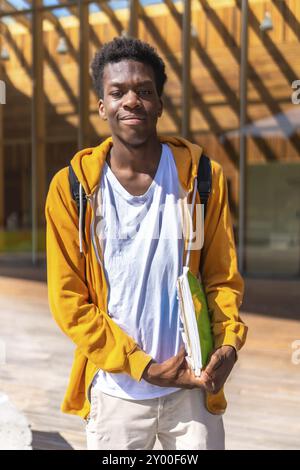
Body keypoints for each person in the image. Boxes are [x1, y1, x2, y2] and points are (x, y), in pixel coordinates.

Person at [45, 37, 248, 450]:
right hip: (116, 392)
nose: (131, 100)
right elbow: (69, 301)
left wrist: (228, 342)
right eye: (117, 92)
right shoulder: (72, 189)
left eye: (145, 91)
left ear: (159, 103)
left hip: (193, 392)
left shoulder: (201, 179)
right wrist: (142, 366)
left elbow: (221, 278)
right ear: (102, 106)